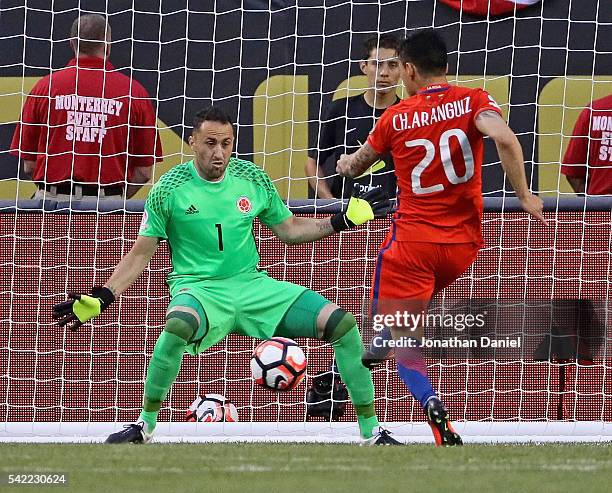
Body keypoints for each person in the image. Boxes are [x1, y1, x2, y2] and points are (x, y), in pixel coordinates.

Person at [52, 106, 398, 445]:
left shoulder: (252, 178)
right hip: (199, 290)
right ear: (192, 142)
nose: (219, 152)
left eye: (226, 144)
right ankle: (145, 424)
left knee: (342, 324)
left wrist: (342, 220)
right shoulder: (168, 189)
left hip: (252, 286)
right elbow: (142, 252)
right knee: (176, 327)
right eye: (210, 143)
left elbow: (290, 229)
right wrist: (104, 295)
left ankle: (371, 431)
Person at [336, 29, 546, 446]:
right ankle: (384, 333)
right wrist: (524, 195)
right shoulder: (475, 101)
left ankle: (428, 400)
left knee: (404, 340)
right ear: (446, 67)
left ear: (409, 70)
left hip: (413, 246)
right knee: (416, 304)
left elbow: (357, 165)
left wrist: (344, 164)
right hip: (463, 246)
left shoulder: (394, 118)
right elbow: (504, 138)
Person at [10, 14, 162, 200]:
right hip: (108, 206)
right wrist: (113, 196)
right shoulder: (134, 93)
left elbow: (29, 165)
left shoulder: (44, 88)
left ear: (72, 43)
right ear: (108, 44)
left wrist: (56, 192)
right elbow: (144, 172)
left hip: (51, 204)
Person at [305, 34, 401, 199]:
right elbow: (312, 162)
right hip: (347, 215)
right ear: (363, 67)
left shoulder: (406, 114)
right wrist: (331, 204)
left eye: (393, 65)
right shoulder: (341, 109)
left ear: (403, 69)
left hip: (391, 213)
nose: (384, 73)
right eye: (377, 64)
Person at [561, 94, 612, 195]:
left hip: (600, 206)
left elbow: (573, 172)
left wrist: (590, 202)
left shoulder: (594, 110)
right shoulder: (593, 111)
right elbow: (573, 171)